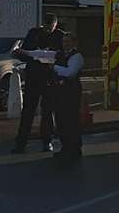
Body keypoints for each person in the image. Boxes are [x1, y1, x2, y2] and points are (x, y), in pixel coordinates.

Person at [11, 12, 65, 154]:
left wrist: (53, 58)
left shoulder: (60, 36)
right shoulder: (34, 34)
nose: (48, 30)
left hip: (50, 77)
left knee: (47, 112)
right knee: (28, 111)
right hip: (34, 76)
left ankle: (47, 142)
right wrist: (33, 56)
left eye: (51, 27)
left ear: (55, 24)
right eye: (46, 27)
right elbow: (24, 53)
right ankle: (21, 143)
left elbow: (64, 56)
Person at [52, 33, 84, 165]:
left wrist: (54, 68)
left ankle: (75, 149)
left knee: (71, 120)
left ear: (74, 43)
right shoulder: (60, 55)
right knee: (61, 121)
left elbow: (70, 73)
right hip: (60, 92)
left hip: (71, 92)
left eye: (68, 41)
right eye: (64, 41)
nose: (65, 44)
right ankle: (65, 147)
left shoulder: (77, 56)